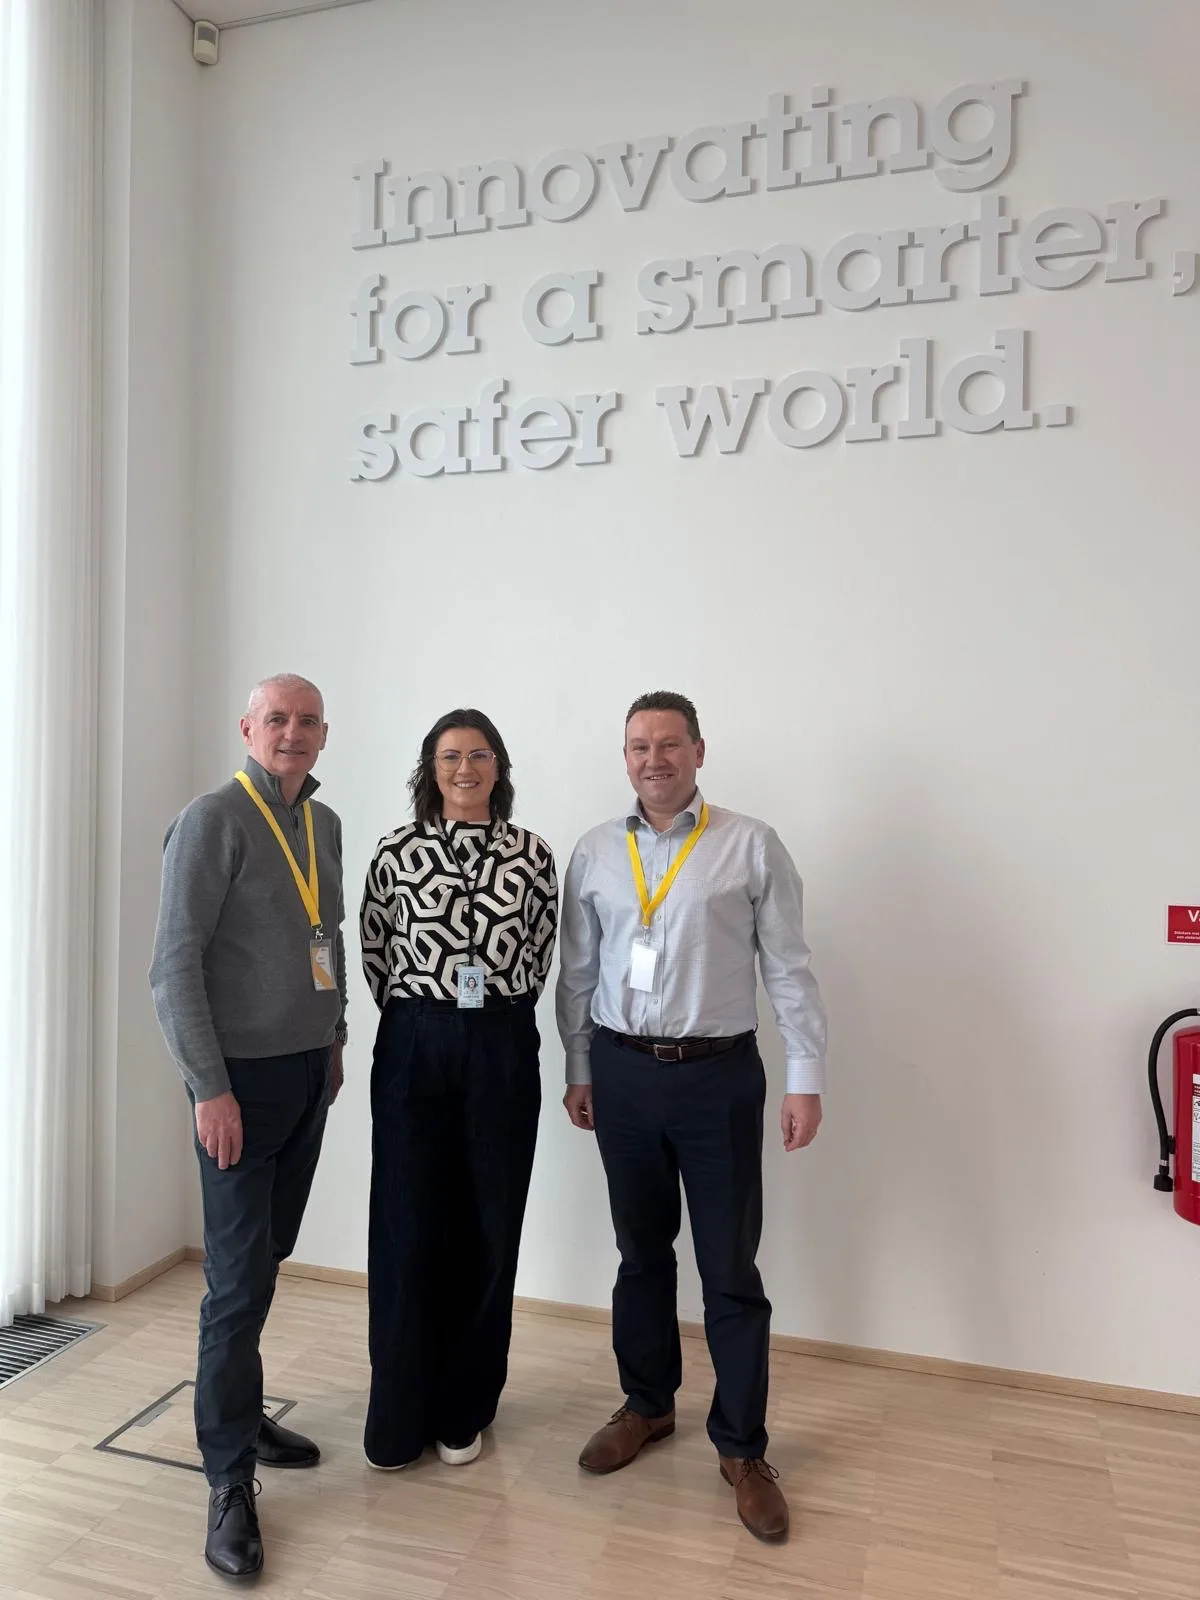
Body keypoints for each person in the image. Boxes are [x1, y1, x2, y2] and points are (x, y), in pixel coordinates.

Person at [555, 690, 827, 1543]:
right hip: (623, 1074)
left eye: (669, 744)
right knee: (640, 1253)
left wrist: (805, 1076)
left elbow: (788, 967)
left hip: (719, 1079)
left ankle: (742, 1448)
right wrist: (579, 1067)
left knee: (729, 1268)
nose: (654, 760)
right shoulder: (596, 852)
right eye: (639, 746)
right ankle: (647, 1404)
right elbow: (577, 971)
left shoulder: (750, 844)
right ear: (625, 757)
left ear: (699, 751)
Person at [149, 674, 347, 1581]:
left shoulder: (324, 824)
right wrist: (209, 1088)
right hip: (238, 1086)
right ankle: (228, 1478)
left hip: (307, 1077)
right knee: (233, 1285)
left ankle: (242, 1409)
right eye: (277, 719)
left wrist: (334, 1038)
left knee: (266, 1256)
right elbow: (173, 967)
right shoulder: (211, 821)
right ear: (247, 728)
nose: (292, 732)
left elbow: (325, 937)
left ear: (324, 734)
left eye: (307, 721)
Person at [359, 708, 558, 1471]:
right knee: (405, 1221)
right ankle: (397, 1410)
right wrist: (428, 1013)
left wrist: (486, 1017)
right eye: (449, 756)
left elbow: (539, 953)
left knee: (488, 1222)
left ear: (498, 767)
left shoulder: (532, 855)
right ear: (430, 769)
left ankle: (464, 1407)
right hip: (415, 1038)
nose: (464, 769)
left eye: (479, 755)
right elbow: (376, 950)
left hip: (500, 1042)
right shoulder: (396, 851)